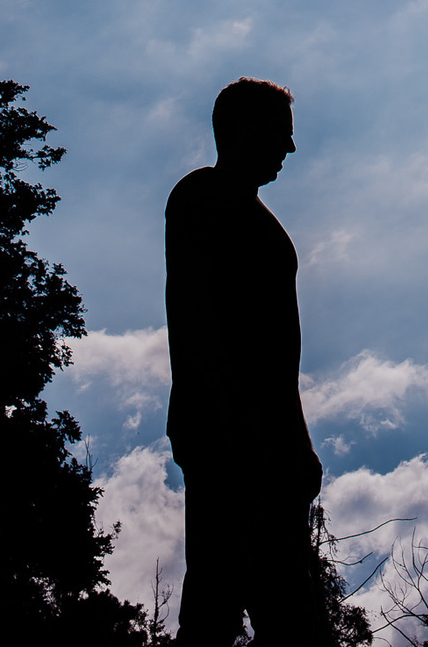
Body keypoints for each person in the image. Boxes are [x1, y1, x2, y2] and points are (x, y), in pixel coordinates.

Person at [165, 77, 323, 646]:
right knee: (222, 602)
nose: (290, 147)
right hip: (230, 434)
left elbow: (280, 358)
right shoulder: (203, 197)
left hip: (265, 440)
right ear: (244, 129)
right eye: (282, 132)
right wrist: (234, 415)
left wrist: (295, 440)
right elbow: (195, 314)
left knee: (280, 604)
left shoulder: (257, 218)